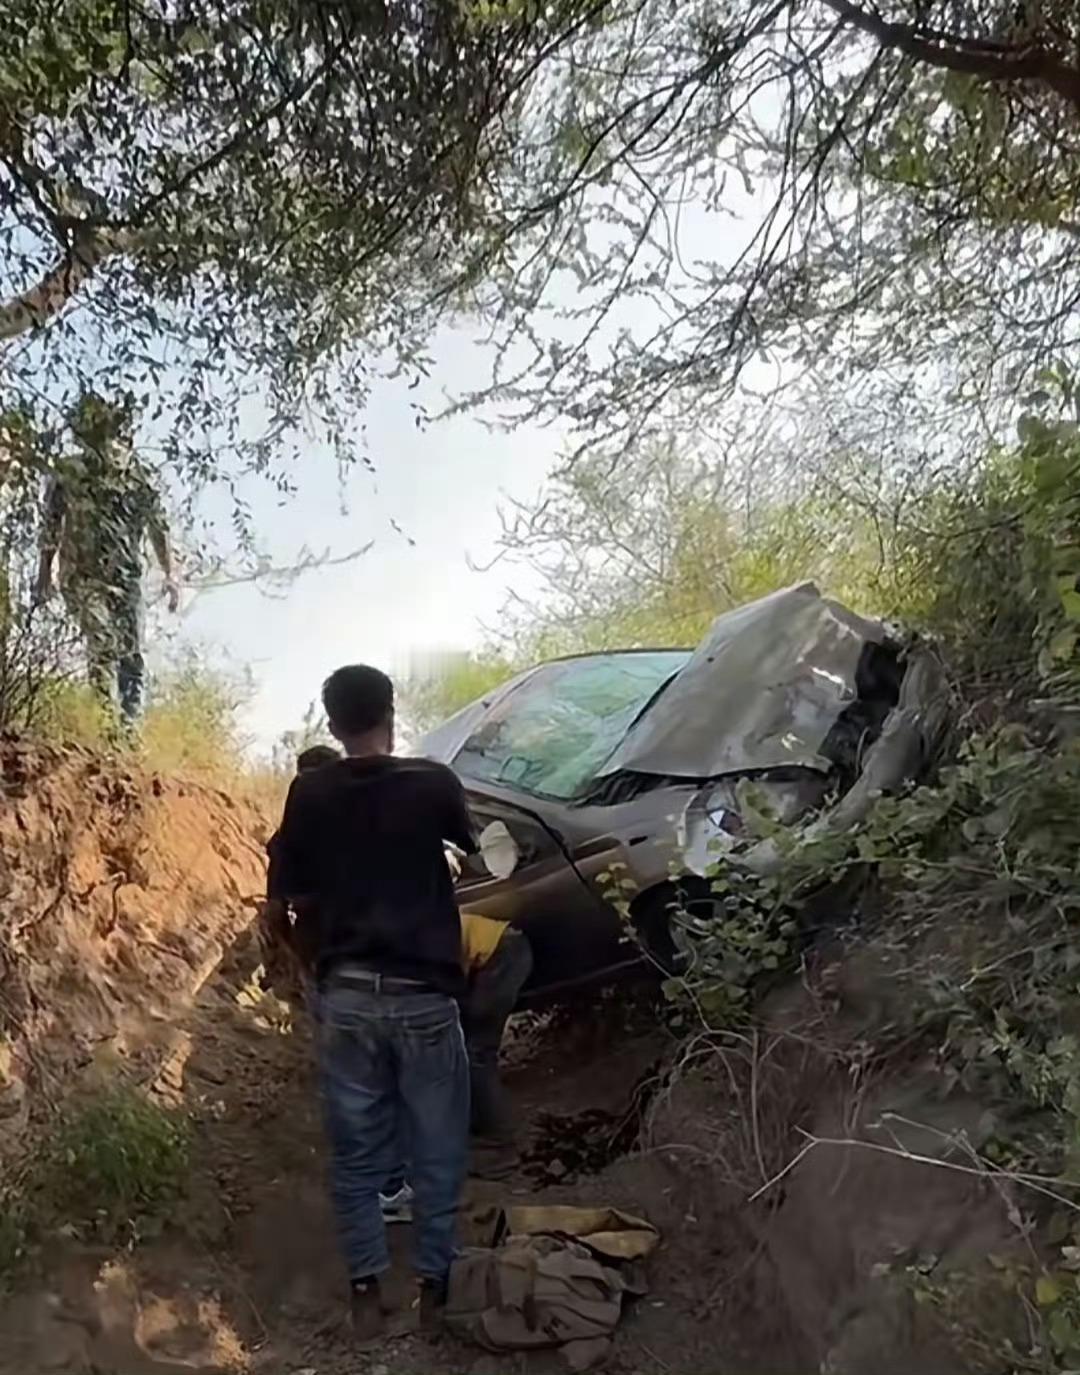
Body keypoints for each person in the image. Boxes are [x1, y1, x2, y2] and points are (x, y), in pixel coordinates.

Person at [265, 664, 475, 1343]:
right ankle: (436, 1292)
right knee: (437, 1150)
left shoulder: (309, 792)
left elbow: (284, 901)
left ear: (331, 725)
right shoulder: (434, 782)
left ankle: (365, 1292)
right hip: (424, 995)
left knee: (357, 1155)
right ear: (393, 711)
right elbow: (480, 856)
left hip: (348, 996)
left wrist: (311, 973)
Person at [35, 392, 178, 722]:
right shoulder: (69, 471)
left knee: (132, 657)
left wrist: (171, 574)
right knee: (102, 642)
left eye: (120, 433)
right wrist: (44, 574)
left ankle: (128, 736)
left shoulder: (139, 478)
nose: (115, 441)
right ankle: (105, 724)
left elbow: (159, 527)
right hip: (81, 577)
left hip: (126, 580)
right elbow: (51, 522)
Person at [379, 911, 533, 1218]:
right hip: (495, 955)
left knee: (476, 1055)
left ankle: (499, 1150)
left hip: (504, 955)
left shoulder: (413, 940)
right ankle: (476, 1133)